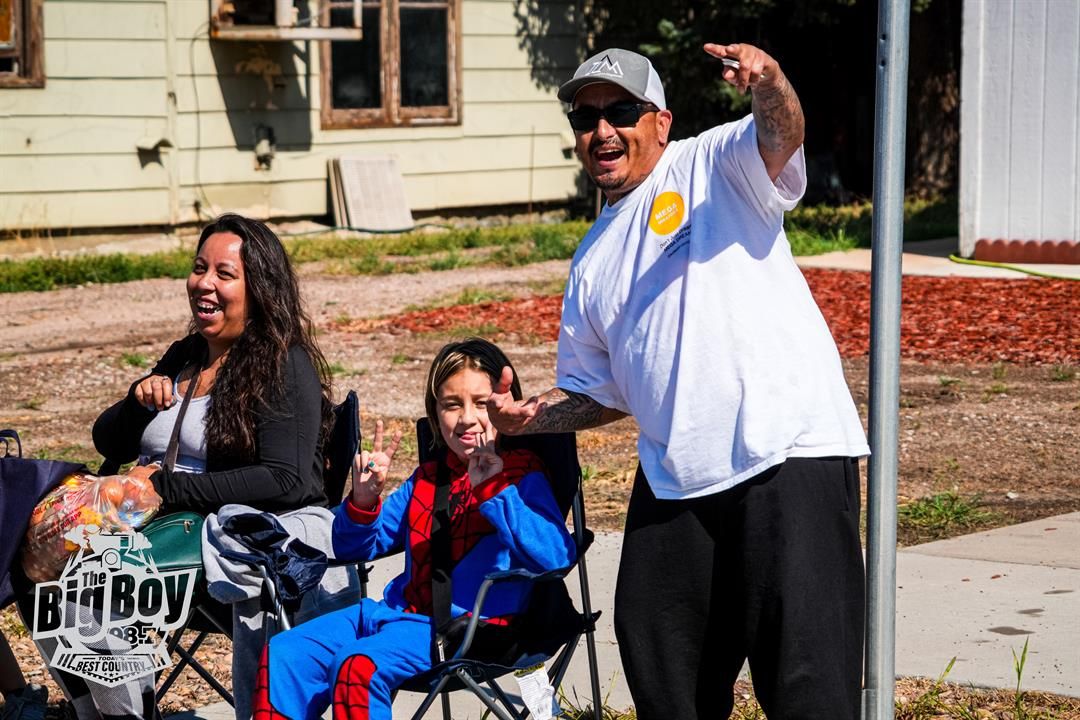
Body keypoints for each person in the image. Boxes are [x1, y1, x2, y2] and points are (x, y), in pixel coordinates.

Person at [485, 46, 870, 720]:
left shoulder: (712, 164)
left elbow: (781, 136)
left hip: (788, 453)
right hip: (677, 477)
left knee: (808, 682)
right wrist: (529, 417)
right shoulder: (590, 260)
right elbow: (598, 393)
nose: (602, 131)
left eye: (621, 112)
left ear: (660, 121)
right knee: (659, 652)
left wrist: (772, 81)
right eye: (586, 117)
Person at [31, 214, 338, 720]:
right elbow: (106, 439)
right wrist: (138, 400)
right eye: (200, 269)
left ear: (259, 287)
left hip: (214, 531)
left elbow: (284, 480)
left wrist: (165, 489)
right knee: (37, 557)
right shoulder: (188, 354)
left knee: (90, 584)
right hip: (155, 521)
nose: (205, 284)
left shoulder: (283, 363)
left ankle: (125, 714)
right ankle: (95, 709)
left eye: (224, 273)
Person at [252, 338, 577, 720]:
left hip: (467, 630)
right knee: (285, 654)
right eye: (452, 405)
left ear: (503, 407)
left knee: (358, 668)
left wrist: (493, 490)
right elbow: (353, 546)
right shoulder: (428, 478)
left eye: (482, 403)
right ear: (435, 412)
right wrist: (363, 502)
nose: (467, 418)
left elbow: (557, 556)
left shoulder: (521, 473)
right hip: (393, 615)